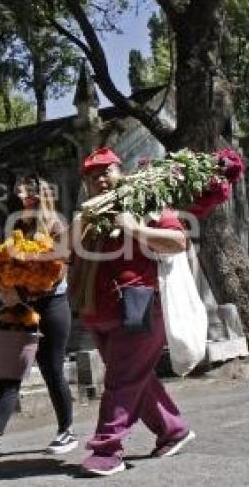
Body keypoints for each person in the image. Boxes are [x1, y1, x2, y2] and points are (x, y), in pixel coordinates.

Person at [70, 147, 195, 477]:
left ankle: (107, 450)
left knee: (121, 380)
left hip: (138, 308)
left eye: (106, 171)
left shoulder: (146, 201)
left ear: (120, 171)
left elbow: (179, 241)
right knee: (136, 379)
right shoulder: (87, 216)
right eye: (93, 175)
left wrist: (134, 228)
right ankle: (173, 430)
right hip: (97, 312)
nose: (101, 179)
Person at [0, 173, 77, 458]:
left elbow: (57, 272)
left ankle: (66, 431)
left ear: (41, 195)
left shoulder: (58, 226)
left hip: (52, 306)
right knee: (10, 372)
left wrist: (22, 294)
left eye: (26, 192)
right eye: (18, 192)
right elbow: (5, 261)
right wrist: (2, 286)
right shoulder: (17, 225)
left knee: (52, 369)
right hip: (18, 307)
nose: (20, 196)